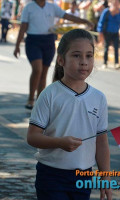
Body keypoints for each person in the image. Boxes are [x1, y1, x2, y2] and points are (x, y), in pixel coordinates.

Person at [27, 29, 111, 200]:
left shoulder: (99, 98)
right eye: (76, 55)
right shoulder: (49, 94)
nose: (84, 62)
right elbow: (32, 137)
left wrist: (105, 177)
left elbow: (101, 141)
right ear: (60, 60)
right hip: (51, 175)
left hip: (83, 177)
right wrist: (59, 142)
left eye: (89, 56)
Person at [13, 0, 93, 109]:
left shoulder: (52, 7)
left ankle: (40, 100)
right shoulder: (29, 7)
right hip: (33, 41)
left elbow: (67, 16)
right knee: (37, 69)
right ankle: (31, 98)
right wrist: (17, 45)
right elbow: (23, 26)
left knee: (44, 72)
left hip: (48, 40)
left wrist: (84, 21)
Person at [97, 0, 120, 69]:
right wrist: (100, 32)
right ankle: (105, 62)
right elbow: (101, 22)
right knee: (106, 48)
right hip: (107, 32)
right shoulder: (106, 11)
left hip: (115, 33)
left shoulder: (119, 12)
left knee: (116, 48)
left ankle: (116, 63)